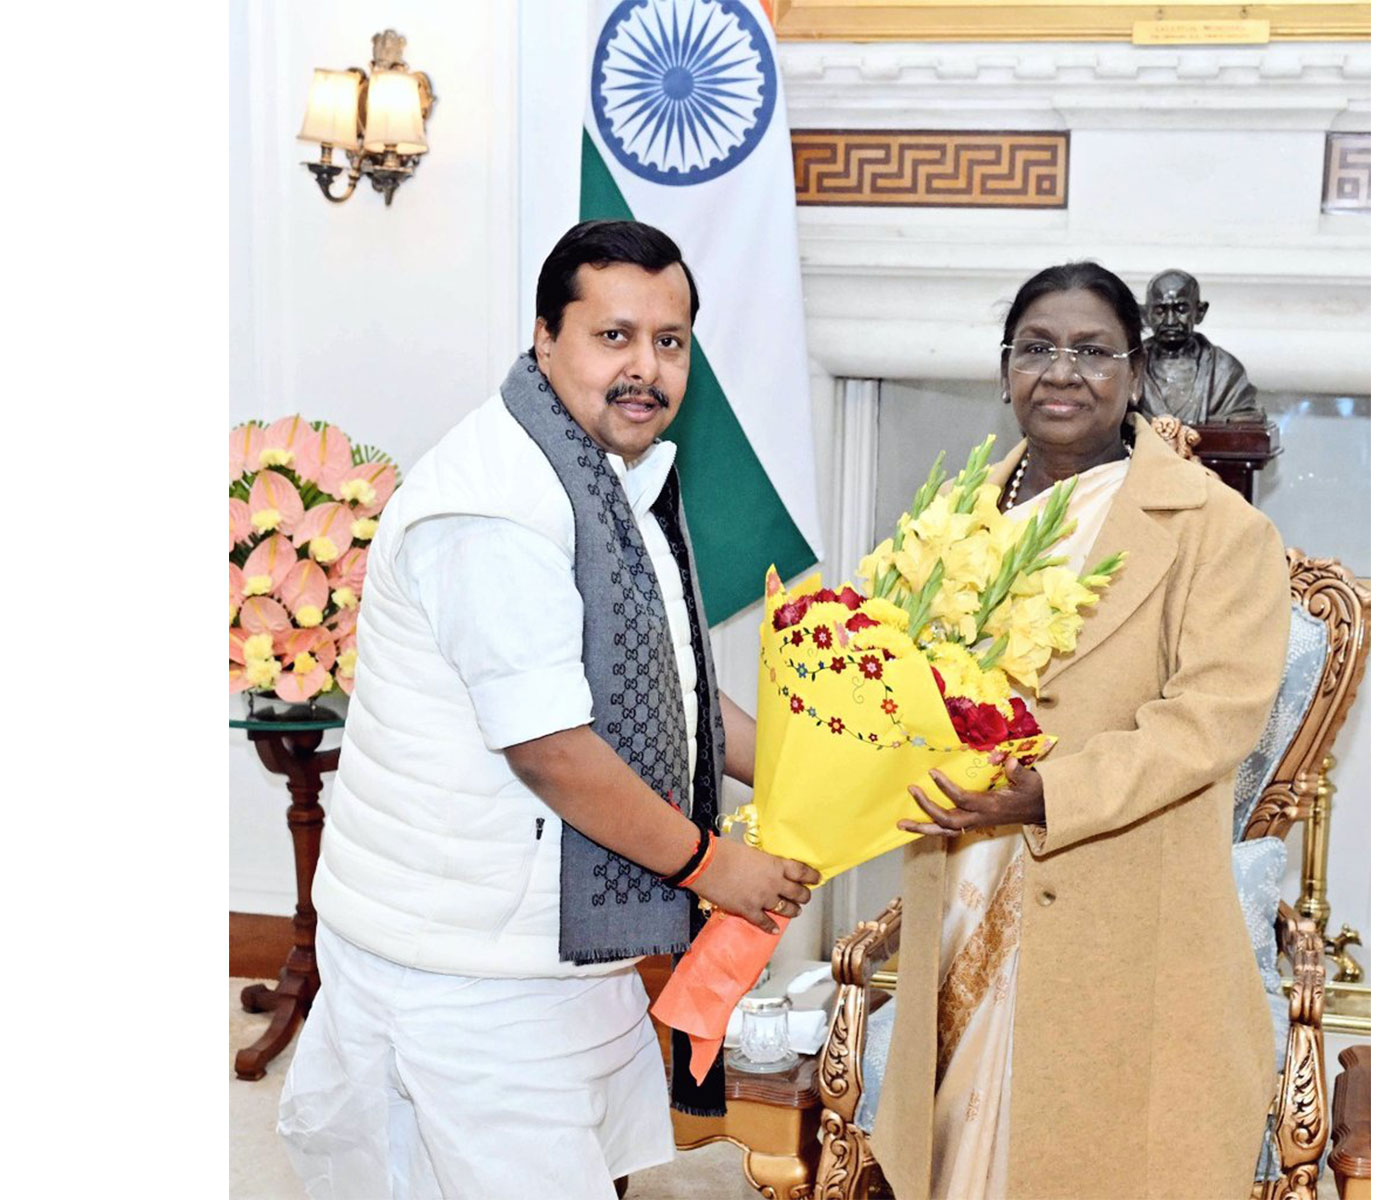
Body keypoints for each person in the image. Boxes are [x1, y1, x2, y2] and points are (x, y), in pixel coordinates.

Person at [277, 219, 821, 1199]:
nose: (644, 367)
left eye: (668, 341)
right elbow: (553, 751)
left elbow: (681, 697)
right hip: (465, 973)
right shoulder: (496, 507)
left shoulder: (601, 473)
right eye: (613, 336)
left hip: (554, 953)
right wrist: (715, 866)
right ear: (544, 336)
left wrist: (825, 767)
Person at [871, 262, 1290, 1199]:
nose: (1062, 372)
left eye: (1093, 351)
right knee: (955, 1162)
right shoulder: (947, 522)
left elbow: (1211, 721)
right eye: (1037, 348)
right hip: (963, 882)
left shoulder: (1216, 530)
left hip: (1124, 914)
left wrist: (1047, 794)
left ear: (1136, 372)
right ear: (1005, 371)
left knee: (1096, 1160)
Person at [1138, 267, 1265, 424]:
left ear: (1200, 312)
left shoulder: (1225, 371)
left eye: (1181, 310)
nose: (1170, 321)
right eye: (1160, 311)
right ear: (1145, 314)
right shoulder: (1129, 367)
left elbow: (1247, 421)